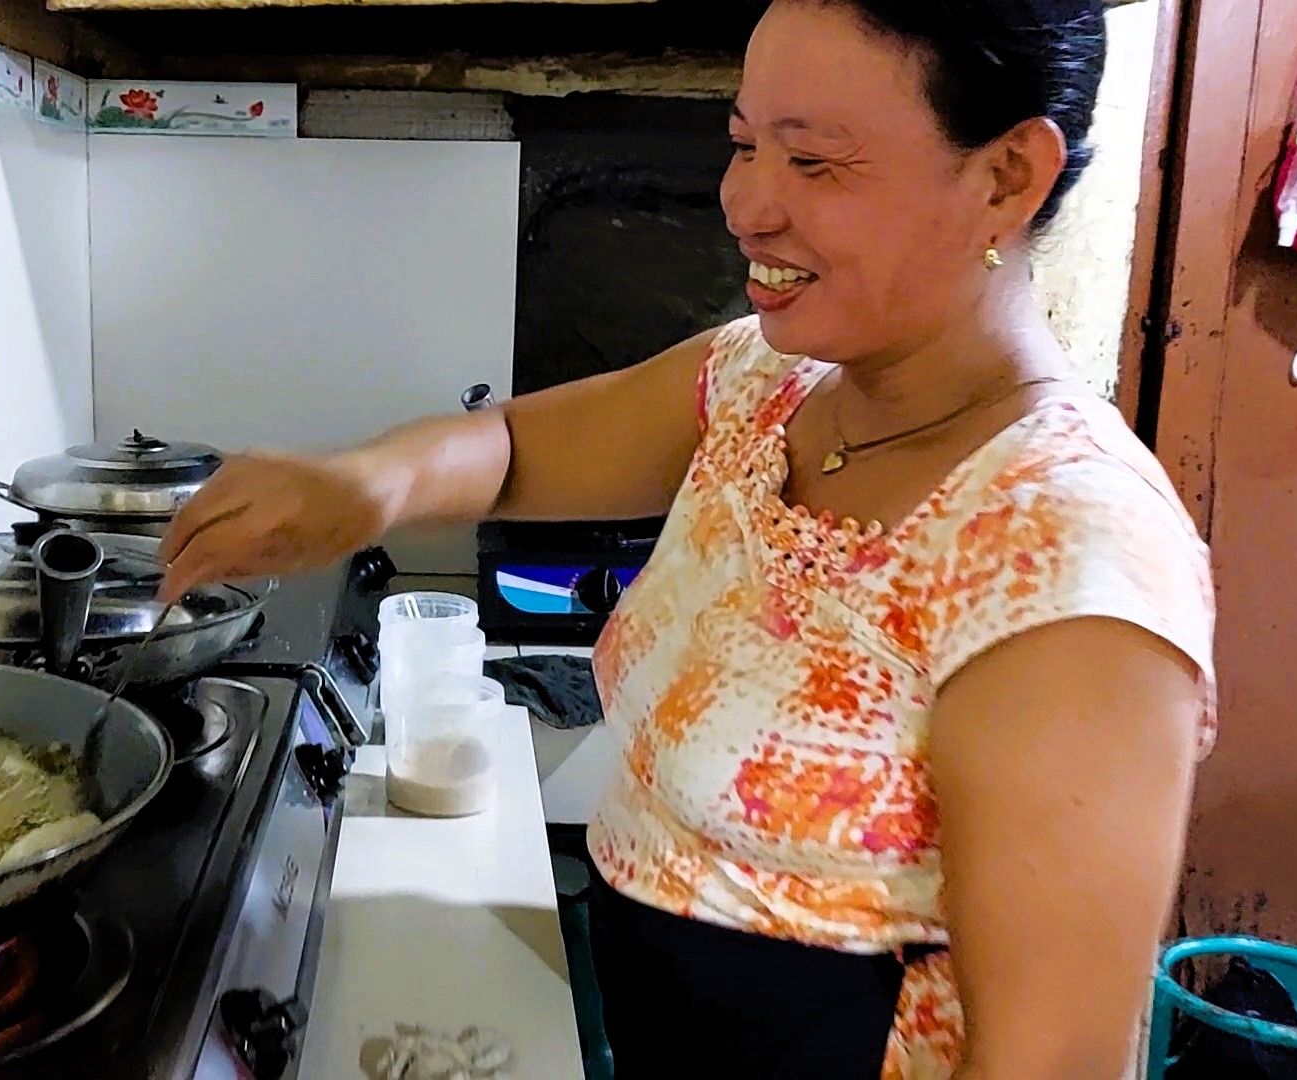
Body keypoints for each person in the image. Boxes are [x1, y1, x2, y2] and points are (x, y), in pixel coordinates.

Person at [158, 0, 1215, 1074]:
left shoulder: (1065, 562)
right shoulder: (769, 381)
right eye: (745, 143)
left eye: (813, 162)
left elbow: (1051, 1064)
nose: (745, 203)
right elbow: (516, 449)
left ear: (1005, 176)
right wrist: (366, 483)